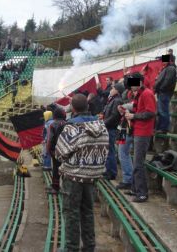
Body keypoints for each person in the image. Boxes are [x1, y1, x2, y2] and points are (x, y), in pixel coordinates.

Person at [55, 94, 109, 252]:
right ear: (88, 106)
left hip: (73, 177)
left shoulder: (72, 127)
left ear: (72, 108)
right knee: (88, 212)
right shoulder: (102, 125)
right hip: (92, 177)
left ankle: (71, 248)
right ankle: (89, 247)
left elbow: (60, 153)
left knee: (71, 213)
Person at [124, 72, 156, 203]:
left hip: (143, 132)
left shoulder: (147, 93)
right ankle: (135, 188)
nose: (131, 86)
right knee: (136, 161)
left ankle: (142, 193)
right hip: (138, 131)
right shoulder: (140, 94)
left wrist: (133, 116)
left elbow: (150, 113)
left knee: (138, 163)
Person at [102, 82, 124, 180]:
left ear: (117, 90)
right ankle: (108, 170)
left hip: (111, 128)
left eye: (113, 88)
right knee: (107, 150)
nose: (111, 89)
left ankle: (112, 172)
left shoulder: (117, 101)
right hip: (108, 127)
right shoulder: (112, 100)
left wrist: (103, 123)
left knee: (110, 151)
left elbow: (114, 116)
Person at [46, 107, 67, 194]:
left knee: (56, 168)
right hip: (66, 150)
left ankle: (55, 187)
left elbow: (50, 139)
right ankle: (65, 187)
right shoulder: (67, 123)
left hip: (56, 150)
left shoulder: (53, 125)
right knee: (65, 168)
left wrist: (49, 150)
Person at [154, 56, 177, 134]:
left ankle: (163, 128)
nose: (162, 61)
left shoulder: (171, 69)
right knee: (161, 111)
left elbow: (167, 81)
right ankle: (160, 128)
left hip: (165, 92)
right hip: (162, 92)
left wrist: (161, 89)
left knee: (163, 111)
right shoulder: (166, 68)